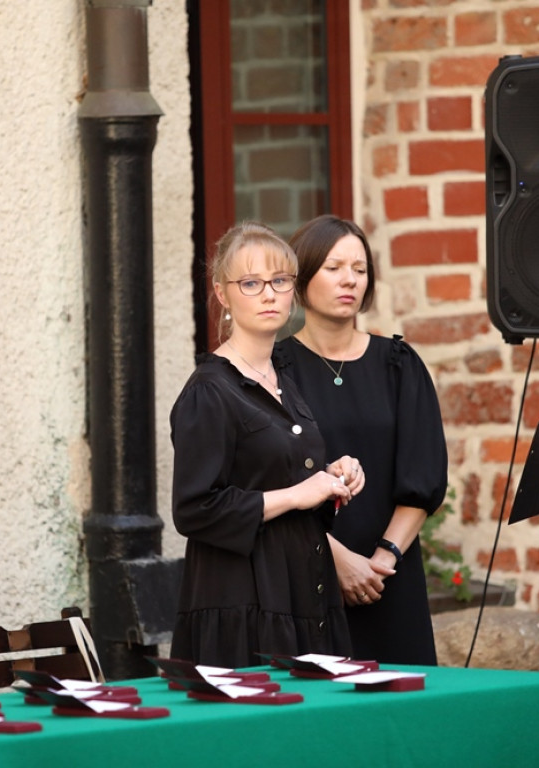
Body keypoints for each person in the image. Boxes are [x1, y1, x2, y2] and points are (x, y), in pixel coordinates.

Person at [169, 221, 364, 668]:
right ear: (223, 294)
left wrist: (332, 476)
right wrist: (298, 495)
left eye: (280, 281)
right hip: (244, 604)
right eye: (251, 283)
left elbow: (278, 472)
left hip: (304, 594)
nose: (269, 294)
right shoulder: (209, 390)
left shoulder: (284, 380)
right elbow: (194, 509)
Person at [273, 215, 448, 665]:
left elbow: (423, 476)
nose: (349, 279)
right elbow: (268, 482)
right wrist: (336, 560)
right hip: (304, 577)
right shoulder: (275, 370)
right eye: (333, 267)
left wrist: (381, 560)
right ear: (303, 276)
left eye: (360, 268)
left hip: (388, 578)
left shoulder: (399, 365)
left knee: (399, 715)